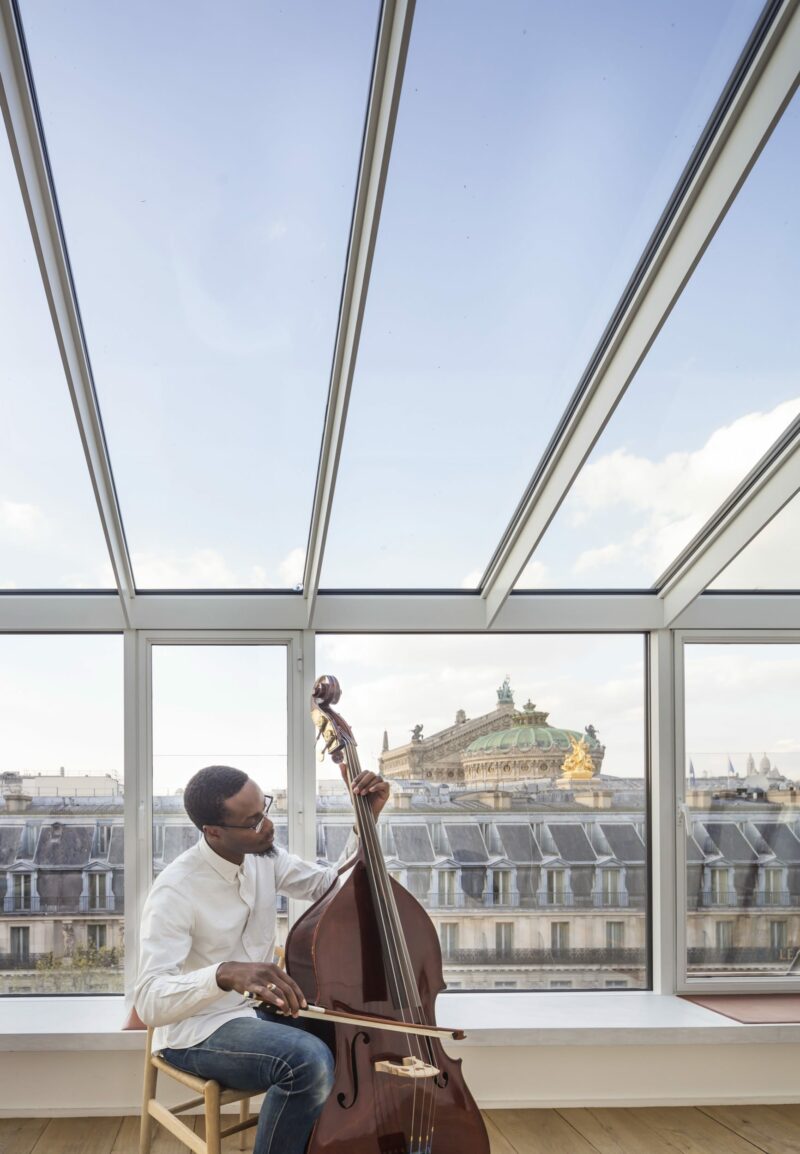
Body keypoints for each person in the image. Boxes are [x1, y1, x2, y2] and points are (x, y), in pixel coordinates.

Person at [134, 763, 390, 1154]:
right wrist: (221, 975)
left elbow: (332, 887)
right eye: (253, 821)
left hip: (256, 1009)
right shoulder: (175, 890)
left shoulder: (262, 857)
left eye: (265, 810)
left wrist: (365, 822)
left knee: (351, 1036)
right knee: (307, 1062)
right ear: (214, 831)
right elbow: (150, 1000)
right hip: (197, 1029)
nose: (268, 826)